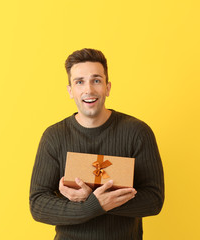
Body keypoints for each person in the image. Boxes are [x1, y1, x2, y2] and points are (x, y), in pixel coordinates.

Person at [29, 48, 164, 240]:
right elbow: (38, 205)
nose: (89, 90)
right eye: (79, 82)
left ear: (107, 87)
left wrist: (94, 198)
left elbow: (153, 201)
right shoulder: (54, 136)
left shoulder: (137, 132)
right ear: (70, 90)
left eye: (96, 80)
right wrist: (92, 204)